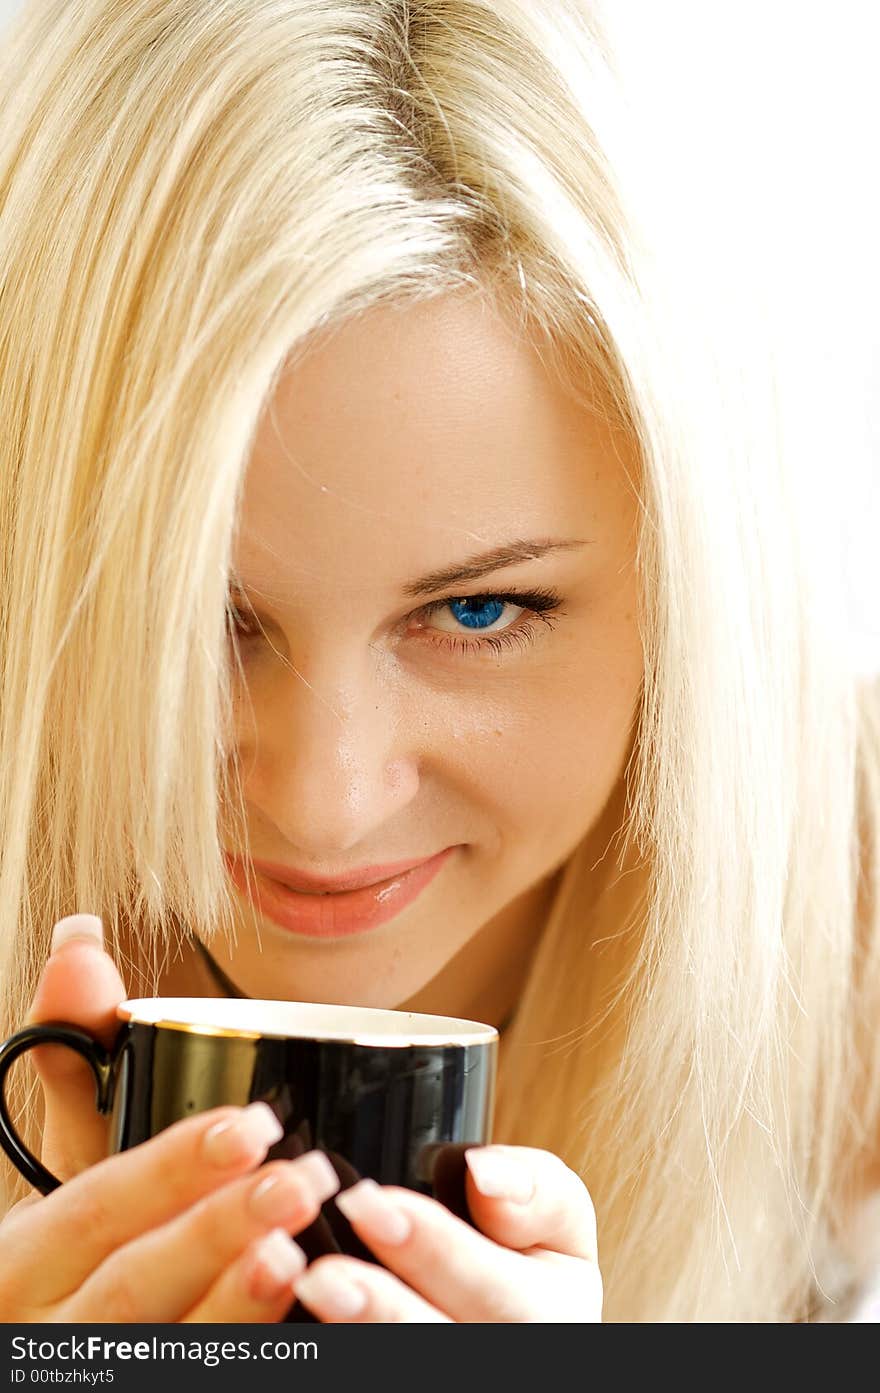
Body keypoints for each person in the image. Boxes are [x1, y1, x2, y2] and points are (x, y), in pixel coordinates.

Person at [0, 0, 878, 1324]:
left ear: (696, 595)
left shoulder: (852, 980)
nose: (323, 799)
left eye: (477, 614)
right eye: (194, 618)